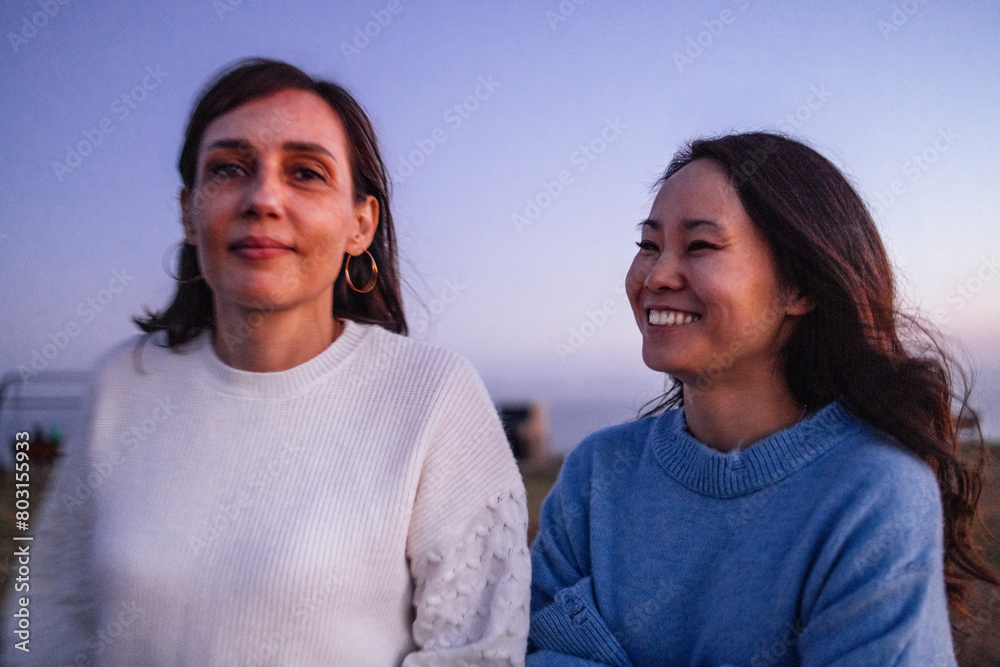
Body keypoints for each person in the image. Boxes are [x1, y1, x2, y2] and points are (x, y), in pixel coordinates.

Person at [5, 58, 530, 665]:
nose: (263, 198)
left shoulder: (434, 397)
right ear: (188, 210)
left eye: (306, 173)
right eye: (228, 169)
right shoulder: (121, 383)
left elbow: (476, 653)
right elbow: (43, 612)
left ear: (361, 223)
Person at [528, 132, 998, 665]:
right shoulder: (597, 473)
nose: (656, 276)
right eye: (649, 245)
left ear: (800, 288)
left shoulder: (872, 493)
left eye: (700, 246)